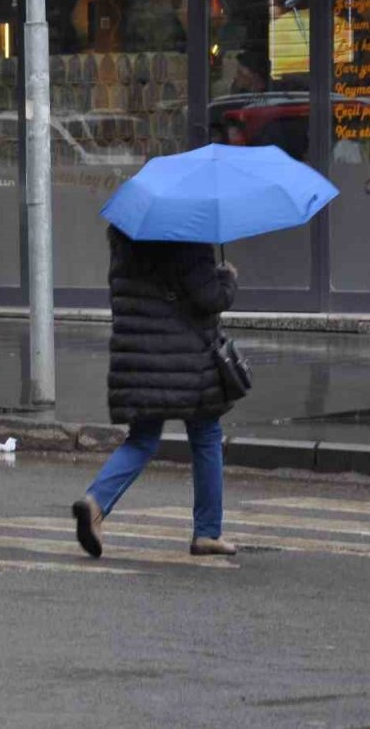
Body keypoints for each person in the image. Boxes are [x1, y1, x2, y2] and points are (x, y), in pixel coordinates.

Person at [72, 226, 240, 559]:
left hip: (139, 355)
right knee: (206, 434)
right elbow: (208, 297)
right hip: (186, 357)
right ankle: (207, 532)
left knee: (142, 438)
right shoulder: (190, 234)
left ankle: (95, 503)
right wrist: (227, 279)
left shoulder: (125, 235)